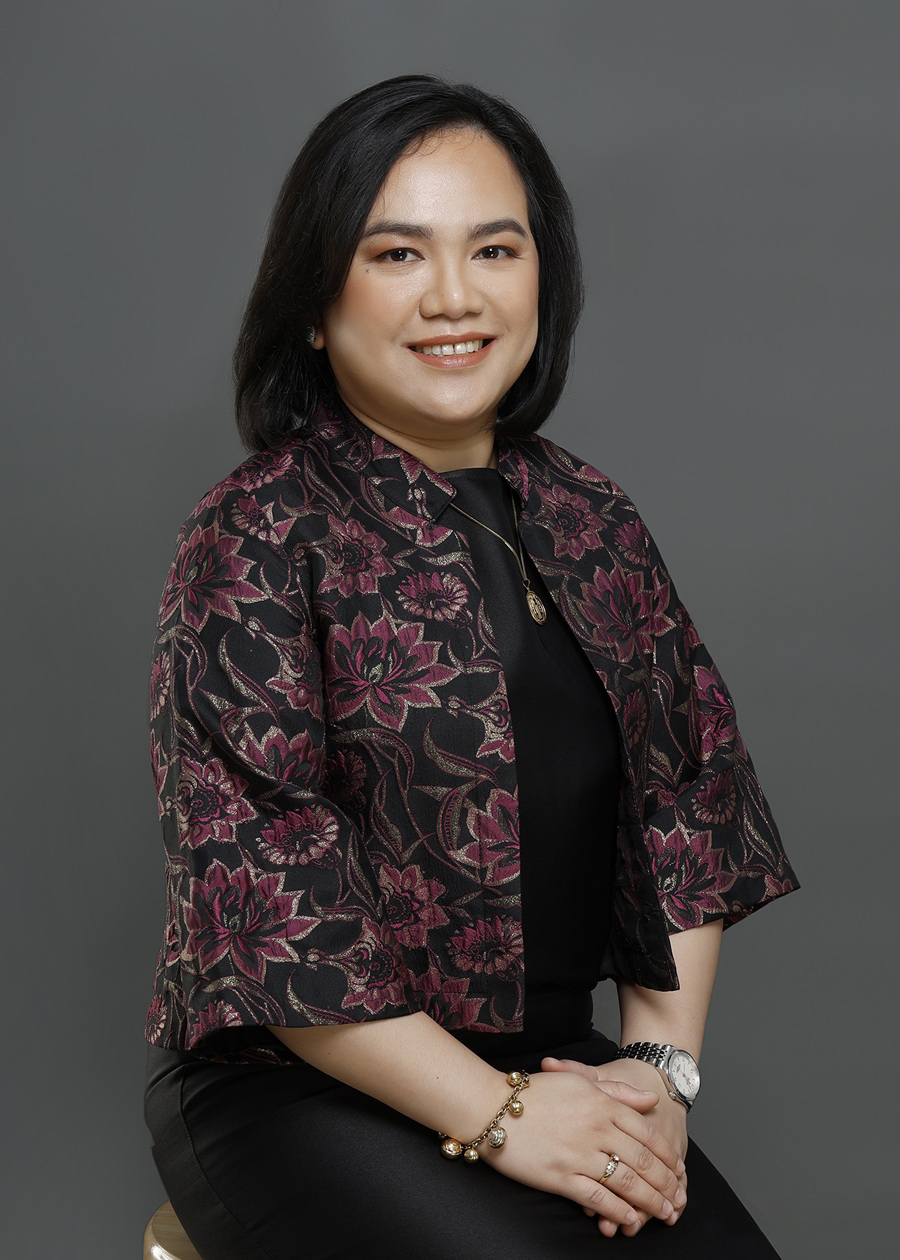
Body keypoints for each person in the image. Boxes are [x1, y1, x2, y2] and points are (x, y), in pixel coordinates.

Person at [143, 74, 799, 1259]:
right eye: (396, 255)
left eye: (494, 248)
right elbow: (271, 900)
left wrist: (655, 1083)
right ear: (312, 299)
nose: (455, 296)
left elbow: (688, 813)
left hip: (560, 1071)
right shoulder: (258, 530)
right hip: (305, 1088)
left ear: (541, 274)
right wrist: (501, 1119)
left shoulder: (592, 514)